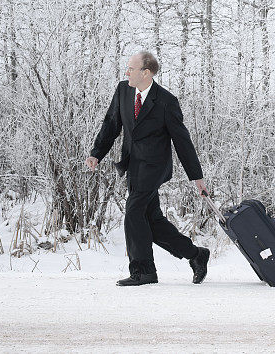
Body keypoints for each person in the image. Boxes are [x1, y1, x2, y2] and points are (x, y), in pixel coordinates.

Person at [85, 51, 210, 286]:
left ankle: (143, 272)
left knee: (133, 213)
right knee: (151, 220)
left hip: (154, 168)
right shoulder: (123, 90)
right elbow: (111, 124)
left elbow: (182, 141)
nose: (126, 72)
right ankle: (196, 255)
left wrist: (197, 177)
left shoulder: (165, 101)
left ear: (146, 72)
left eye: (131, 68)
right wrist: (96, 153)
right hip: (133, 165)